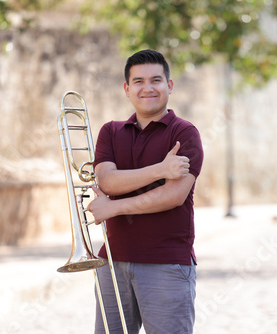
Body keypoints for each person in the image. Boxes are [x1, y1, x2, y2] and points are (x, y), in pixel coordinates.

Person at [87, 49, 204, 334]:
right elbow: (108, 182)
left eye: (156, 80)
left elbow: (172, 196)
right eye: (138, 81)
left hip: (166, 263)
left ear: (170, 85)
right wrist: (160, 170)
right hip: (112, 262)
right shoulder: (111, 132)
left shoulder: (184, 134)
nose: (147, 88)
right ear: (127, 89)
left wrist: (113, 207)